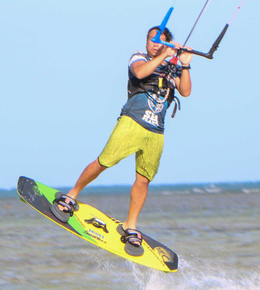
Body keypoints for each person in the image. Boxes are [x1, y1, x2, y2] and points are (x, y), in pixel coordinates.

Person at [50, 25, 193, 249]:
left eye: (160, 41)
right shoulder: (138, 57)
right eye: (152, 39)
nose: (155, 43)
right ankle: (72, 195)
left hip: (156, 131)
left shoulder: (171, 68)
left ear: (167, 43)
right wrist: (165, 55)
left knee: (143, 180)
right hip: (131, 122)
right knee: (103, 162)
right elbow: (140, 73)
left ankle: (130, 225)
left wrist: (184, 64)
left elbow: (185, 91)